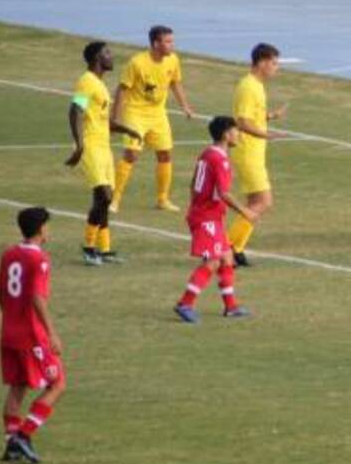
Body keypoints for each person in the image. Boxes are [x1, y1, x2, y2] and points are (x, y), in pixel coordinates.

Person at [0, 206, 64, 464]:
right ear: (41, 229)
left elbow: (0, 295)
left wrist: (12, 317)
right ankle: (23, 436)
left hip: (8, 333)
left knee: (17, 388)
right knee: (57, 384)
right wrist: (52, 333)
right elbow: (37, 297)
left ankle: (10, 444)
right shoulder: (40, 259)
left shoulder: (9, 255)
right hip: (32, 336)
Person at [64, 41, 139, 266]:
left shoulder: (100, 85)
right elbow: (74, 111)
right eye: (107, 53)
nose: (111, 57)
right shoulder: (86, 82)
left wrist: (127, 129)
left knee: (105, 200)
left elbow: (103, 121)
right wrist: (79, 145)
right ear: (97, 57)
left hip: (104, 146)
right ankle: (88, 247)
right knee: (104, 195)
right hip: (90, 146)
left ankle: (104, 249)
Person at [110, 24, 197, 214]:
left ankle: (162, 199)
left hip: (158, 114)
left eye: (172, 41)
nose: (172, 45)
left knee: (165, 154)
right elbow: (122, 89)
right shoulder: (137, 63)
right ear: (156, 44)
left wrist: (185, 105)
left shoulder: (173, 60)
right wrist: (115, 118)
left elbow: (175, 83)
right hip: (136, 113)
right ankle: (114, 199)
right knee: (131, 154)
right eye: (168, 41)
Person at [174, 117, 253, 323]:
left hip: (207, 215)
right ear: (226, 134)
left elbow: (193, 184)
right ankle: (185, 303)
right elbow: (224, 193)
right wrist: (245, 211)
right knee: (213, 261)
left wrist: (198, 206)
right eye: (236, 131)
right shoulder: (221, 160)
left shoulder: (207, 154)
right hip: (207, 218)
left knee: (227, 258)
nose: (238, 135)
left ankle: (231, 307)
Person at [227, 42, 287, 267]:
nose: (276, 68)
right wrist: (266, 135)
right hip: (247, 151)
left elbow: (252, 116)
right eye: (273, 63)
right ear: (261, 62)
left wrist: (270, 116)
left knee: (254, 202)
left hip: (254, 151)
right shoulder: (248, 86)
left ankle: (237, 249)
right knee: (264, 201)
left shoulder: (257, 85)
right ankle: (225, 248)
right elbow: (241, 121)